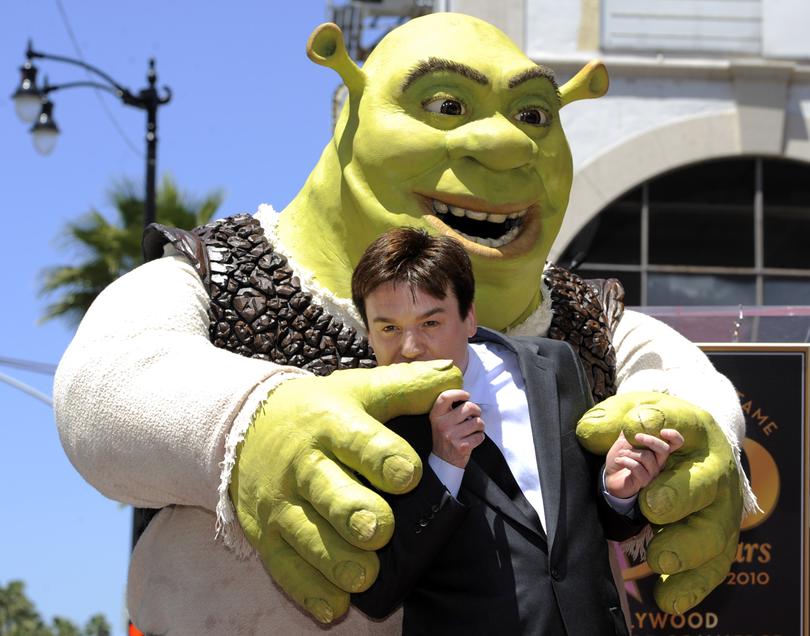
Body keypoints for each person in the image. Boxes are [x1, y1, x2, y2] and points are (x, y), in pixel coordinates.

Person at [53, 13, 753, 634]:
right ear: (350, 113)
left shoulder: (575, 323)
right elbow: (108, 377)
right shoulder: (229, 270)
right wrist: (250, 422)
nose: (508, 146)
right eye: (445, 105)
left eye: (536, 115)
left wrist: (698, 434)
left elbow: (676, 375)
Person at [347, 227, 682, 634]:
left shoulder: (553, 365)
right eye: (389, 329)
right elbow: (377, 591)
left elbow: (586, 527)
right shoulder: (363, 427)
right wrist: (444, 468)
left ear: (469, 317)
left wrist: (617, 491)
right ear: (369, 335)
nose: (411, 347)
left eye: (431, 322)